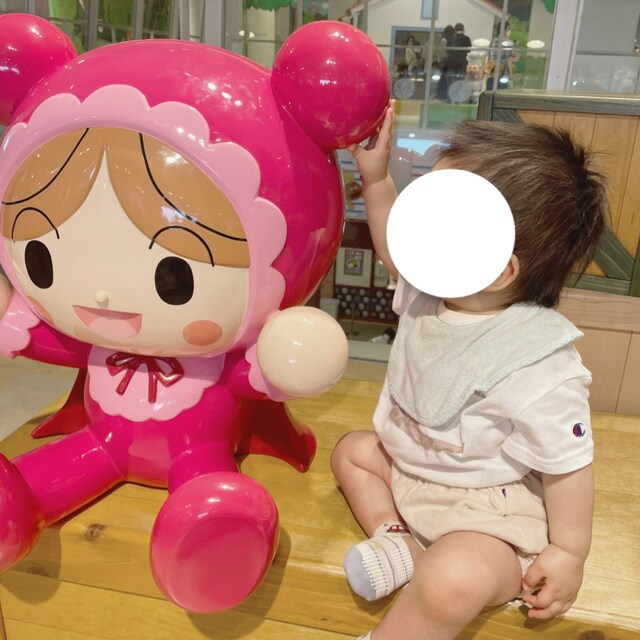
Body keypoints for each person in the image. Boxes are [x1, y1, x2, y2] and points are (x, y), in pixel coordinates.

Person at [330, 104, 608, 640]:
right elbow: (392, 250)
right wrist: (377, 177)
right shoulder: (430, 292)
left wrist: (569, 550)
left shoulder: (536, 358)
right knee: (351, 452)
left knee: (451, 581)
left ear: (500, 268)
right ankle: (399, 539)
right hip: (413, 471)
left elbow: (569, 465)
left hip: (486, 512)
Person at [485, 21, 520, 89]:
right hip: (503, 76)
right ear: (503, 30)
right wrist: (512, 76)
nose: (509, 31)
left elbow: (487, 56)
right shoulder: (506, 42)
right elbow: (509, 60)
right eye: (508, 29)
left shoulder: (493, 41)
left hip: (492, 75)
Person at [435, 25, 455, 100]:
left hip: (444, 60)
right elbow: (442, 51)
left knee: (443, 78)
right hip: (445, 60)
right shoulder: (445, 40)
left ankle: (441, 95)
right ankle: (441, 95)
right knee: (444, 78)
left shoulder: (445, 39)